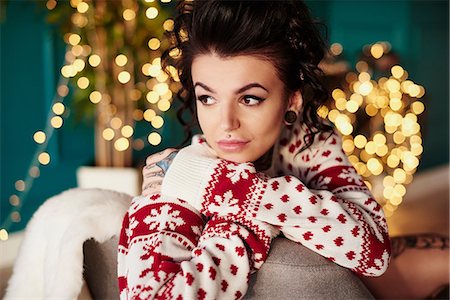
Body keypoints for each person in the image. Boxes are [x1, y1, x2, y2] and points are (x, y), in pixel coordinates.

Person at [117, 1, 391, 299]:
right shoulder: (177, 177)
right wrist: (247, 218)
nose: (226, 123)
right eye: (207, 98)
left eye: (249, 99)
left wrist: (231, 189)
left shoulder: (312, 144)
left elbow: (375, 252)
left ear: (292, 101)